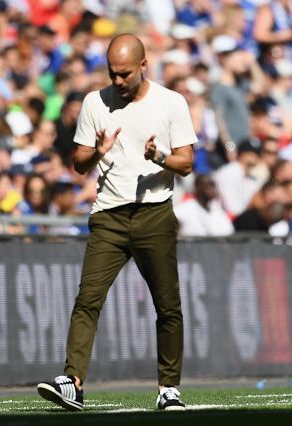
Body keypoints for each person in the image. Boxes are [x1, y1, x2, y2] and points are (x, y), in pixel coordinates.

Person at [36, 34, 196, 411]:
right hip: (108, 214)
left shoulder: (171, 102)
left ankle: (168, 388)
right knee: (87, 300)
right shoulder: (95, 102)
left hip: (154, 212)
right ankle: (72, 381)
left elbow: (186, 163)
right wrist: (98, 153)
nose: (118, 81)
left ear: (143, 66)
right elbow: (79, 163)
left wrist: (158, 156)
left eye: (125, 73)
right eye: (112, 73)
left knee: (167, 305)